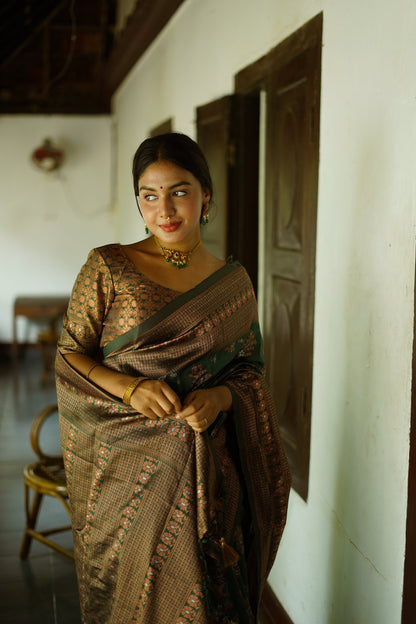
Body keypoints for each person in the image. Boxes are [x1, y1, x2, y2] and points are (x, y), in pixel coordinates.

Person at [55, 132, 291, 624]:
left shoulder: (232, 282)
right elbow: (69, 356)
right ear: (138, 201)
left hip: (213, 475)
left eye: (179, 190)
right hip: (128, 476)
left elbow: (251, 370)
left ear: (206, 195)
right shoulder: (109, 267)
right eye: (149, 194)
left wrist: (222, 398)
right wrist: (130, 387)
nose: (164, 208)